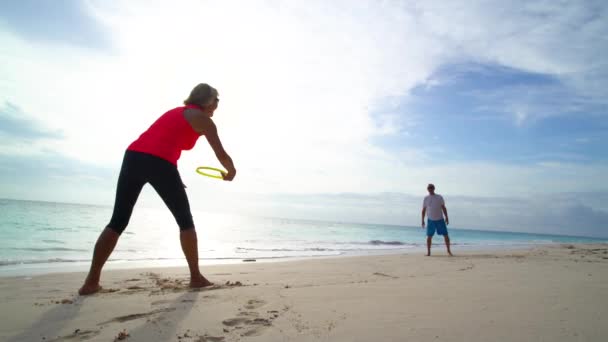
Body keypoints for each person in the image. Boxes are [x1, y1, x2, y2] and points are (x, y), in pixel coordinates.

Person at [78, 83, 236, 295]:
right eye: (217, 99)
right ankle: (196, 277)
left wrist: (173, 176)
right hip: (160, 163)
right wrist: (231, 170)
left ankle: (91, 281)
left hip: (134, 157)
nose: (218, 104)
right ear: (208, 101)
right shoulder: (204, 121)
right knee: (185, 221)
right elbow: (221, 154)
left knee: (118, 221)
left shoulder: (175, 112)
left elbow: (164, 142)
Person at [421, 183, 452, 256]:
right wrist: (422, 220)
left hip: (440, 219)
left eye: (431, 188)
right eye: (429, 188)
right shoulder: (426, 198)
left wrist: (447, 217)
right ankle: (428, 252)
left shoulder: (439, 197)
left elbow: (443, 208)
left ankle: (448, 251)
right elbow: (423, 210)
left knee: (445, 235)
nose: (430, 189)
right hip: (430, 220)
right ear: (427, 189)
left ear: (434, 188)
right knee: (429, 236)